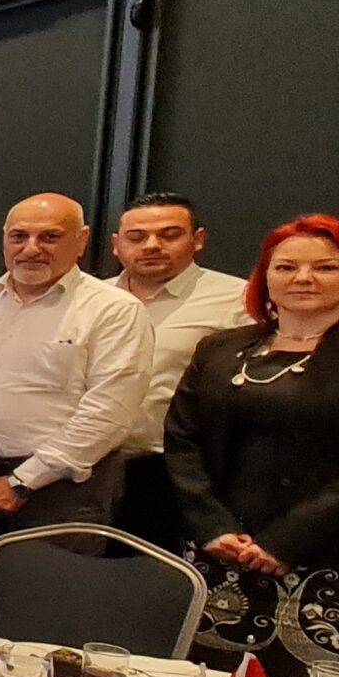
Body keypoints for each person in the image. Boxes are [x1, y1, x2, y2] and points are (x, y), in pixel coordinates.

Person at [165, 215, 339, 677]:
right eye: (285, 267)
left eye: (325, 267)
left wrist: (287, 540)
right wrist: (212, 526)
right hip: (223, 552)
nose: (303, 278)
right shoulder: (219, 348)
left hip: (335, 555)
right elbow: (182, 440)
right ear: (265, 279)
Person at [0, 192, 149, 626]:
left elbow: (108, 413)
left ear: (81, 240)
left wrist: (22, 482)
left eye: (49, 237)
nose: (31, 248)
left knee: (51, 617)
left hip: (61, 494)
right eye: (19, 236)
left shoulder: (114, 310)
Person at [110, 192, 250, 553]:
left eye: (169, 235)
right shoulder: (90, 298)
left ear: (198, 239)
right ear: (116, 245)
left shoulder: (239, 300)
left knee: (164, 580)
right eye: (137, 237)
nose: (151, 245)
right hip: (87, 469)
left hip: (178, 472)